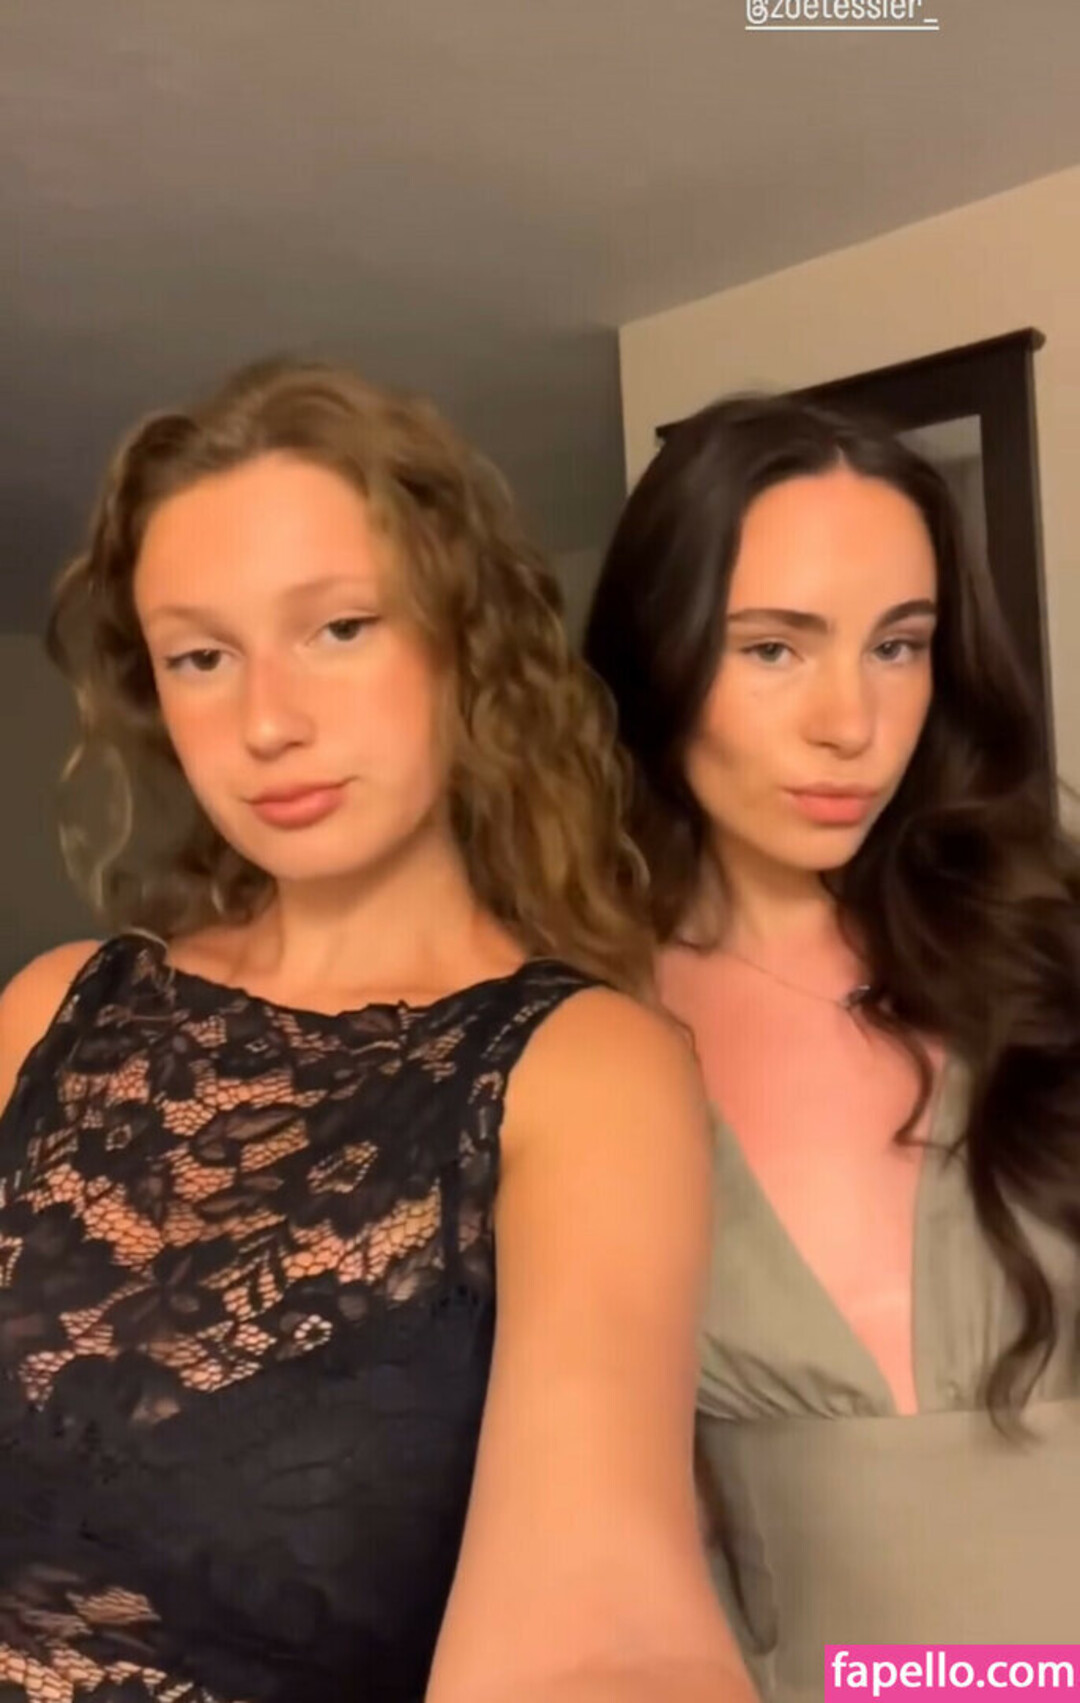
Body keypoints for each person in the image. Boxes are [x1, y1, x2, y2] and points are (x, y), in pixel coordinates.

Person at [0, 360, 752, 1703]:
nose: (268, 722)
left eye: (339, 627)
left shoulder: (580, 1072)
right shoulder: (53, 1010)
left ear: (464, 642)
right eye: (201, 656)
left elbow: (604, 1628)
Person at [583, 393, 1080, 1702]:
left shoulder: (1049, 956)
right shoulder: (572, 1038)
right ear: (657, 658)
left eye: (899, 646)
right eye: (773, 648)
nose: (851, 721)